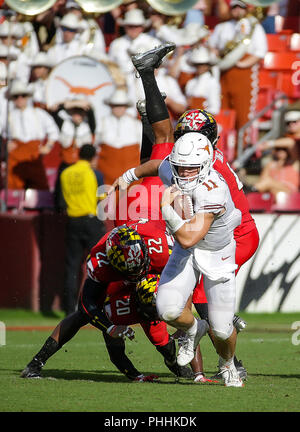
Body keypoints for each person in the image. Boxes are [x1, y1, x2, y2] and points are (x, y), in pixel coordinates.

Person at [112, 43, 260, 387]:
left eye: (189, 138)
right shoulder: (185, 160)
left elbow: (162, 133)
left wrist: (168, 213)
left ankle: (228, 360)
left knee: (210, 300)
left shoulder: (211, 179)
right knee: (179, 302)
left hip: (230, 238)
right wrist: (133, 173)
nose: (181, 144)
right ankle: (203, 335)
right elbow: (162, 146)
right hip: (198, 234)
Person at [21, 223, 191, 381]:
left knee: (155, 308)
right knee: (82, 316)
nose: (136, 274)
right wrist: (109, 327)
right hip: (117, 282)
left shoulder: (160, 245)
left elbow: (186, 280)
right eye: (131, 272)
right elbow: (87, 304)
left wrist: (182, 319)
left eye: (139, 268)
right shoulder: (101, 263)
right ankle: (36, 363)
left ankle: (176, 363)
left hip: (152, 274)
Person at [208, 0, 268, 149]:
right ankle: (222, 148)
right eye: (234, 7)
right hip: (223, 74)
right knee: (224, 113)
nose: (237, 10)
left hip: (244, 74)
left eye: (240, 7)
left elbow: (260, 51)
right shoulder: (222, 27)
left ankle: (242, 149)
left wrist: (241, 63)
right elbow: (212, 47)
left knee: (243, 114)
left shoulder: (254, 27)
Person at [60, 144, 106, 315]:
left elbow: (60, 201)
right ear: (93, 157)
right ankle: (96, 304)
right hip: (90, 220)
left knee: (72, 266)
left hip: (72, 220)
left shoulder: (65, 173)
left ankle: (70, 308)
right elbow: (101, 200)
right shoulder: (95, 174)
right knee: (99, 263)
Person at [5, 79, 59, 190]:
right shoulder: (7, 116)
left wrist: (48, 146)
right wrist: (4, 145)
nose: (20, 99)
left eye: (23, 95)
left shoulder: (39, 113)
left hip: (34, 155)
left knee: (39, 185)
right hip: (15, 155)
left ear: (27, 97)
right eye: (16, 96)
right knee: (13, 186)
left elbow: (54, 130)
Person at [95, 88, 142, 186]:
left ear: (125, 107)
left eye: (121, 106)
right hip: (106, 174)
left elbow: (141, 148)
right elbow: (96, 145)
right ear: (111, 106)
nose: (119, 108)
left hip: (131, 175)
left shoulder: (136, 124)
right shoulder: (102, 122)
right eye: (116, 105)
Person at [184, 46, 221, 115]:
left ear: (207, 66)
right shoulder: (190, 83)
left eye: (202, 64)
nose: (200, 67)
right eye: (197, 65)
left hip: (204, 121)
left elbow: (215, 109)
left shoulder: (212, 82)